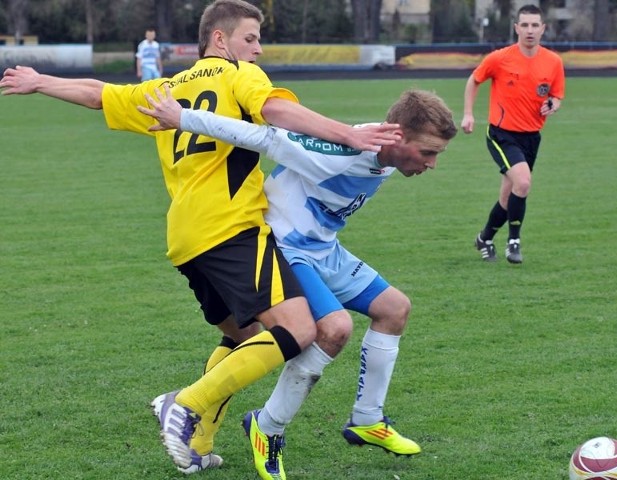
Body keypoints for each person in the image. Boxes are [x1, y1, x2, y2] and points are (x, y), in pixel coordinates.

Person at [0, 0, 400, 475]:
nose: (257, 49)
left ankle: (198, 442)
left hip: (186, 237)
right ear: (220, 40)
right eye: (250, 38)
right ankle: (183, 403)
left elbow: (98, 93)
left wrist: (40, 81)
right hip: (231, 226)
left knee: (241, 337)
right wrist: (348, 135)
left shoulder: (165, 88)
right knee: (297, 330)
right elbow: (274, 110)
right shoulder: (238, 74)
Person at [138, 84, 458, 479]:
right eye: (427, 153)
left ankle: (366, 419)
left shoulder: (387, 145)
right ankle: (266, 429)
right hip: (286, 244)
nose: (431, 164)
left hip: (323, 247)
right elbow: (263, 136)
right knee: (334, 328)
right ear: (397, 135)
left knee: (395, 309)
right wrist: (183, 118)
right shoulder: (340, 152)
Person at [461, 4, 565, 264]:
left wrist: (553, 104)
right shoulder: (500, 58)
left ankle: (484, 238)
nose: (530, 30)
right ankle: (514, 242)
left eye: (535, 25)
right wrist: (468, 113)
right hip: (501, 134)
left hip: (532, 137)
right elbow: (474, 80)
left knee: (509, 196)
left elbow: (556, 95)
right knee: (524, 183)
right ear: (516, 28)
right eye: (525, 25)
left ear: (543, 29)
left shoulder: (553, 62)